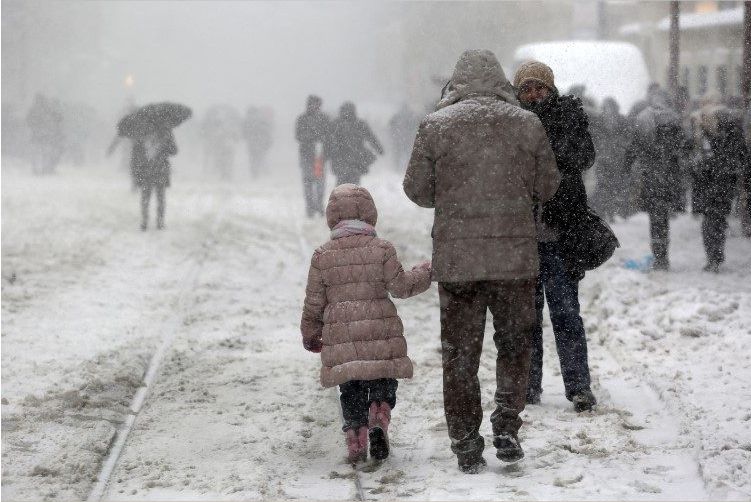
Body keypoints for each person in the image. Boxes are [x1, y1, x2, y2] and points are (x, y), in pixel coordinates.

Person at [404, 50, 560, 473]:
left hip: (459, 262)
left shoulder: (437, 126)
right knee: (514, 346)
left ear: (457, 81)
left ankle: (465, 440)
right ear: (501, 82)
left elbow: (416, 190)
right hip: (515, 261)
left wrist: (454, 192)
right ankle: (507, 421)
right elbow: (548, 185)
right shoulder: (527, 124)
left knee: (460, 356)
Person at [300, 184, 431, 463]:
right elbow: (401, 286)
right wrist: (425, 272)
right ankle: (379, 413)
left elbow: (314, 301)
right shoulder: (381, 249)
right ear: (371, 213)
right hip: (380, 332)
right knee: (383, 378)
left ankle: (356, 437)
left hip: (341, 336)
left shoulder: (323, 256)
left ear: (332, 216)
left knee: (350, 387)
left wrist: (310, 331)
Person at [513, 60, 598, 412]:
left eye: (539, 87)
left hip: (561, 234)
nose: (534, 94)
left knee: (565, 313)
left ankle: (578, 385)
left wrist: (548, 156)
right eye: (526, 89)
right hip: (523, 237)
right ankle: (528, 387)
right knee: (525, 318)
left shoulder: (569, 115)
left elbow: (585, 156)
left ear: (550, 88)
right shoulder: (512, 123)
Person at [624, 87, 686, 271]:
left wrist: (626, 166)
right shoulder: (674, 118)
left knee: (655, 217)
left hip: (650, 175)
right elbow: (684, 145)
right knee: (663, 215)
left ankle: (659, 255)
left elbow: (632, 147)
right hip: (669, 175)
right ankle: (663, 254)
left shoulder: (642, 118)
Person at [690, 105, 747, 272]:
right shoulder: (730, 135)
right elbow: (741, 158)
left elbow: (702, 162)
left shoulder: (712, 136)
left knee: (711, 222)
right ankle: (715, 257)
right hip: (720, 184)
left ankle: (713, 257)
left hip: (713, 183)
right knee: (716, 221)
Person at [590, 97, 634, 221]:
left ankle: (610, 212)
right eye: (605, 107)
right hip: (604, 158)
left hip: (615, 158)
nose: (607, 110)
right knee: (603, 185)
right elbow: (593, 135)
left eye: (609, 107)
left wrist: (621, 146)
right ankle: (604, 212)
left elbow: (628, 136)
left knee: (612, 186)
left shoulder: (621, 120)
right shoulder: (599, 120)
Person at [327, 102, 384, 186]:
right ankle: (351, 197)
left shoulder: (336, 124)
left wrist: (327, 154)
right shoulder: (359, 124)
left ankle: (342, 197)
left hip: (341, 160)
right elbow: (371, 137)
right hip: (355, 159)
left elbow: (329, 141)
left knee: (341, 184)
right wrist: (379, 149)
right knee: (354, 183)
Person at [132, 128, 177, 231]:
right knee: (145, 198)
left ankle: (160, 221)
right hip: (146, 171)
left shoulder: (165, 132)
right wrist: (136, 171)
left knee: (160, 198)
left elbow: (174, 150)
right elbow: (136, 153)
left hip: (160, 171)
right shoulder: (141, 133)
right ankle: (145, 221)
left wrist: (165, 143)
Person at [295, 95, 330, 217]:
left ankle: (319, 205)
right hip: (307, 155)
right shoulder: (302, 119)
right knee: (308, 183)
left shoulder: (323, 118)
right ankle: (310, 207)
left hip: (319, 157)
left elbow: (329, 136)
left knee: (319, 183)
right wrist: (313, 138)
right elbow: (298, 136)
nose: (315, 107)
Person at [243, 106, 274, 178]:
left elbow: (244, 133)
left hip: (251, 143)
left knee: (252, 158)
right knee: (260, 157)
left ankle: (254, 173)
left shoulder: (247, 121)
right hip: (261, 142)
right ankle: (260, 170)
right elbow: (267, 131)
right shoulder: (262, 120)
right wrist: (268, 141)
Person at [388, 104, 420, 172]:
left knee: (399, 154)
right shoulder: (410, 116)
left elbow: (391, 125)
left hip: (399, 138)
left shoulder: (397, 116)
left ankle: (399, 168)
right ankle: (404, 168)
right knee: (405, 153)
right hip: (404, 139)